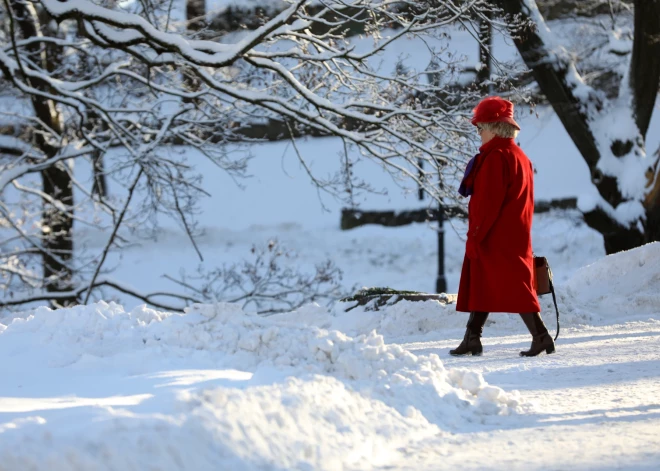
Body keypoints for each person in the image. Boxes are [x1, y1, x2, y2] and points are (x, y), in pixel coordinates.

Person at [450, 96, 555, 357]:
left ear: (494, 127)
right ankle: (472, 338)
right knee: (485, 284)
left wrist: (475, 236)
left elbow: (487, 204)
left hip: (494, 236)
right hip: (514, 233)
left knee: (515, 287)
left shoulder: (496, 158)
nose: (479, 132)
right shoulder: (519, 156)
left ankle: (540, 336)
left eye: (480, 127)